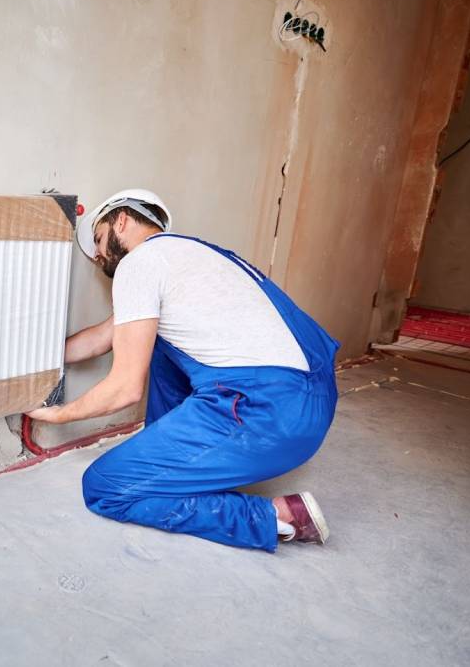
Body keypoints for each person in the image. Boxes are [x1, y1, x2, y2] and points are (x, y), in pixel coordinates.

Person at [27, 189, 339, 551]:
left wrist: (58, 415)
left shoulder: (139, 263)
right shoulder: (193, 256)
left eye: (97, 239)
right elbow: (103, 338)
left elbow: (126, 388)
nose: (97, 255)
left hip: (263, 413)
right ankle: (175, 461)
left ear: (122, 221)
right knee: (154, 339)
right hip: (311, 407)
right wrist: (34, 357)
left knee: (105, 487)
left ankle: (275, 517)